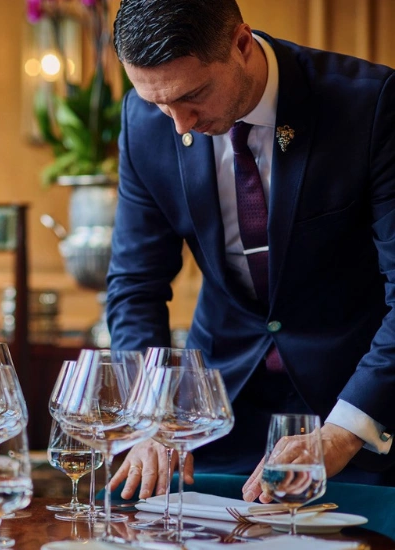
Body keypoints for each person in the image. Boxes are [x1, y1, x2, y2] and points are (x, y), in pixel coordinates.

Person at [104, 0, 395, 503]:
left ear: (241, 44)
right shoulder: (144, 120)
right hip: (214, 417)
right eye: (159, 103)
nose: (179, 124)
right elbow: (135, 285)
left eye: (193, 95)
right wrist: (149, 415)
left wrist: (342, 433)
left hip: (355, 413)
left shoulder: (370, 104)